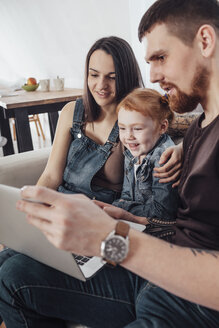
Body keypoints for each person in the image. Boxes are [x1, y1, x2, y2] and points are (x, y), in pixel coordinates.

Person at [1, 0, 219, 327]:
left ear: (205, 41)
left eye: (161, 57)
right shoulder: (200, 129)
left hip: (185, 296)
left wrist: (110, 238)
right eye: (150, 62)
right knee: (11, 274)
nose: (154, 76)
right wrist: (126, 220)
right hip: (159, 280)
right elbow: (184, 229)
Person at [36, 36, 144, 204]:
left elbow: (179, 122)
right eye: (94, 75)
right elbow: (50, 176)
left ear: (126, 78)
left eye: (112, 77)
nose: (101, 85)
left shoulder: (136, 121)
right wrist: (32, 205)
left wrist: (180, 149)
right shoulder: (71, 112)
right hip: (60, 205)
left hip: (101, 217)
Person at [97, 87, 178, 240]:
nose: (128, 136)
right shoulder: (132, 151)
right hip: (134, 224)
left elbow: (163, 214)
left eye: (137, 129)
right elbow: (127, 195)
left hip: (158, 233)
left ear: (162, 127)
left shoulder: (164, 158)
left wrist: (120, 207)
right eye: (122, 128)